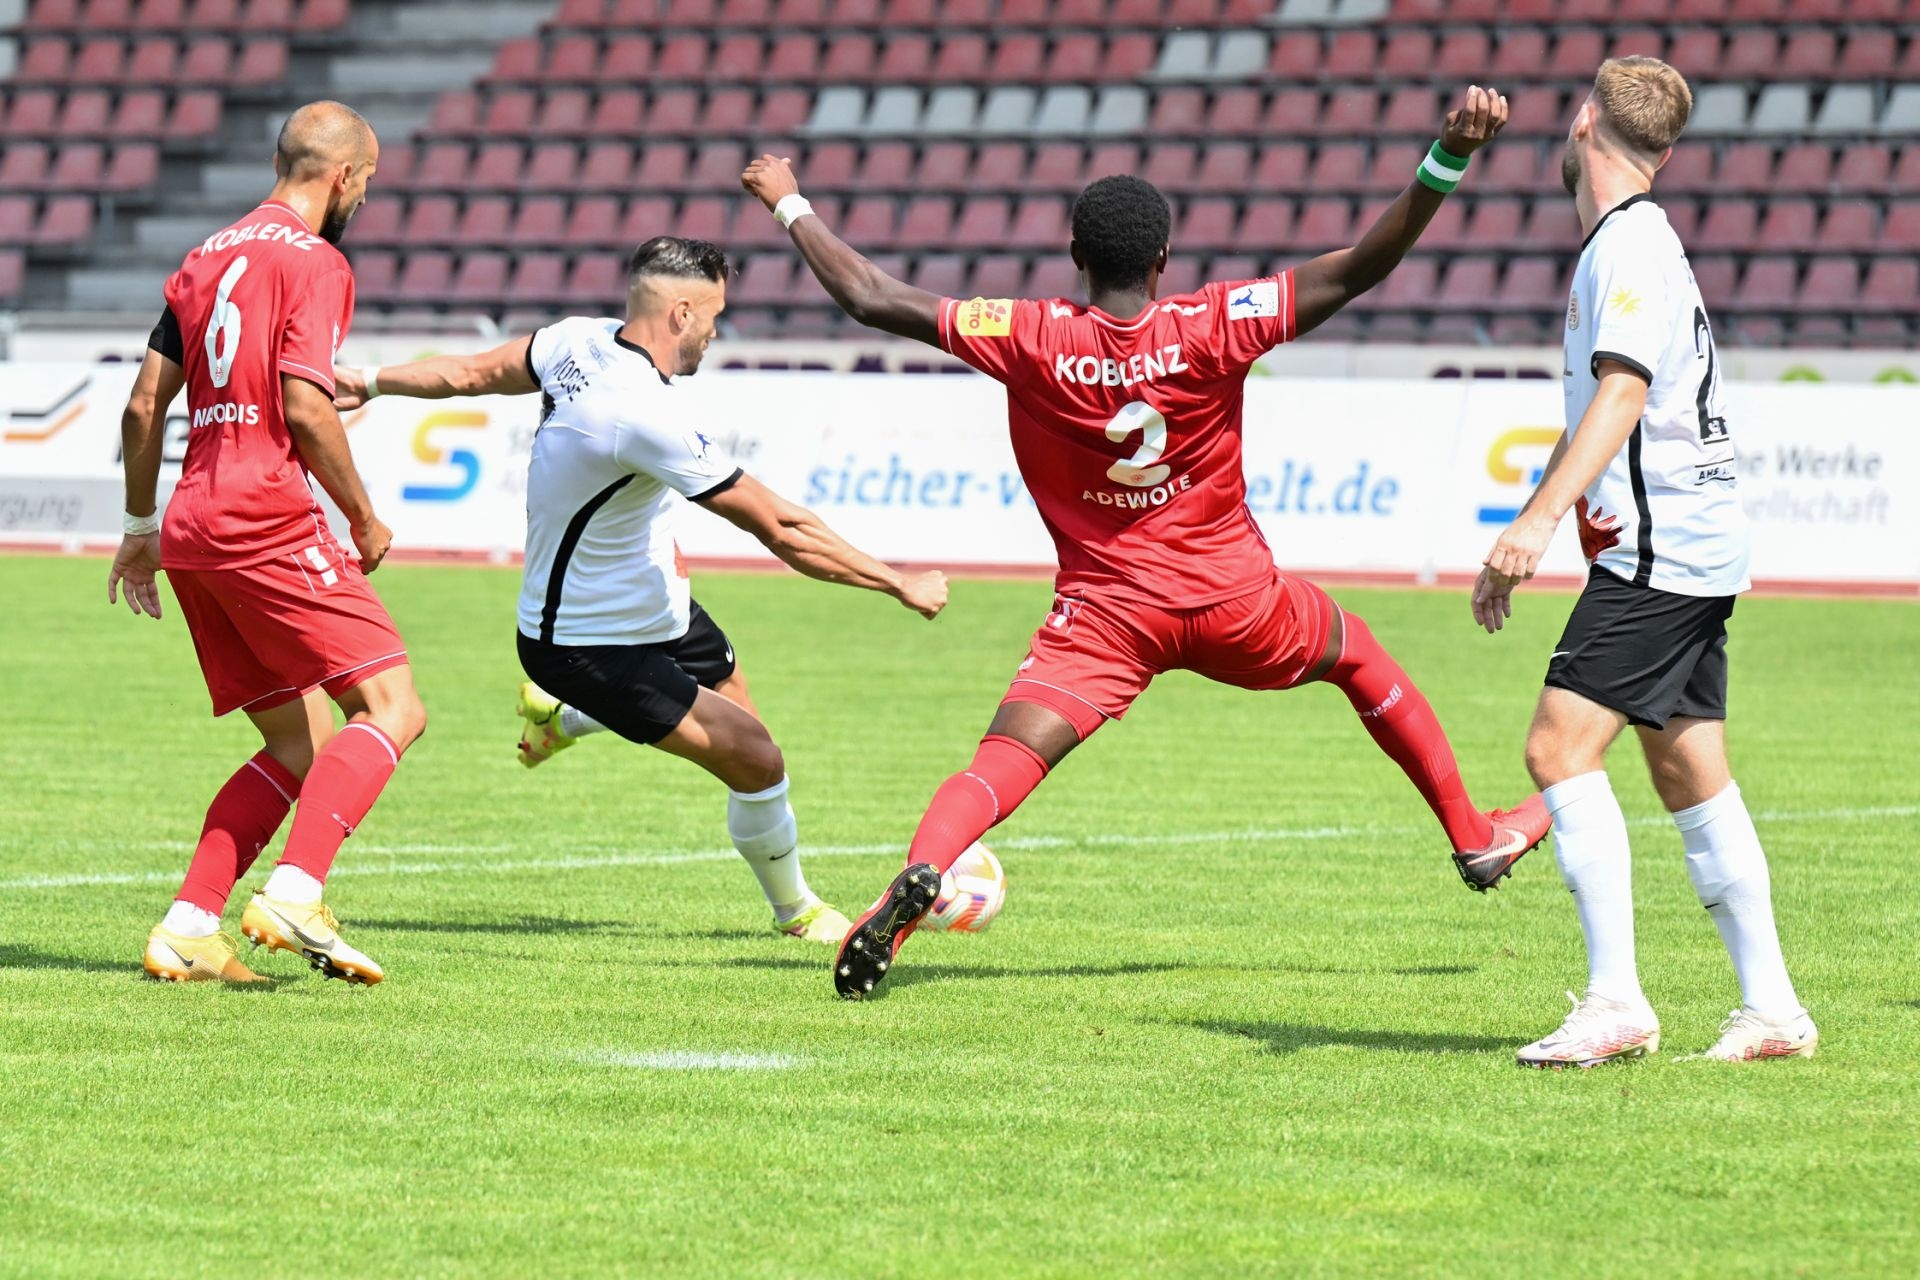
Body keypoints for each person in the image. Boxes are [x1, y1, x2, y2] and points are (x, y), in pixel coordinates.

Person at [741, 85, 1544, 1000]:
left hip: (1107, 616)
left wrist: (789, 202)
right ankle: (1473, 837)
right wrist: (1447, 158)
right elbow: (1362, 266)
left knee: (1004, 759)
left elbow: (868, 295)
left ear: (1075, 257)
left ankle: (920, 871)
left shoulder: (1029, 334)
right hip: (1237, 601)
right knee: (1357, 657)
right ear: (1163, 259)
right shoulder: (1217, 322)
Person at [331, 237, 949, 944]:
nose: (716, 330)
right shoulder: (642, 414)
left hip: (659, 605)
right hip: (582, 643)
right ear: (682, 312)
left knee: (744, 724)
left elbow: (473, 373)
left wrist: (372, 380)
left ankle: (561, 721)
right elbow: (781, 527)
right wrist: (896, 581)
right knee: (758, 758)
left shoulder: (577, 340)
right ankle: (798, 912)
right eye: (714, 315)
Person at [1474, 57, 1815, 1066]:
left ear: (1585, 122)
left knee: (1557, 749)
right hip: (1691, 545)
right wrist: (1538, 514)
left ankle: (1616, 1001)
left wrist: (1536, 523)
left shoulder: (1626, 247)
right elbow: (1602, 406)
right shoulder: (1637, 241)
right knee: (1689, 771)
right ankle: (1773, 1008)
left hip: (1658, 551)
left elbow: (1623, 395)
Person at [111, 101, 423, 986]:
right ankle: (295, 893)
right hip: (265, 518)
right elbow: (304, 406)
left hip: (191, 529)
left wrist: (139, 530)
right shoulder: (316, 261)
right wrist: (363, 517)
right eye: (367, 182)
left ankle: (188, 926)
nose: (365, 198)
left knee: (299, 741)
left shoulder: (202, 258)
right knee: (392, 707)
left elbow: (142, 407)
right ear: (343, 175)